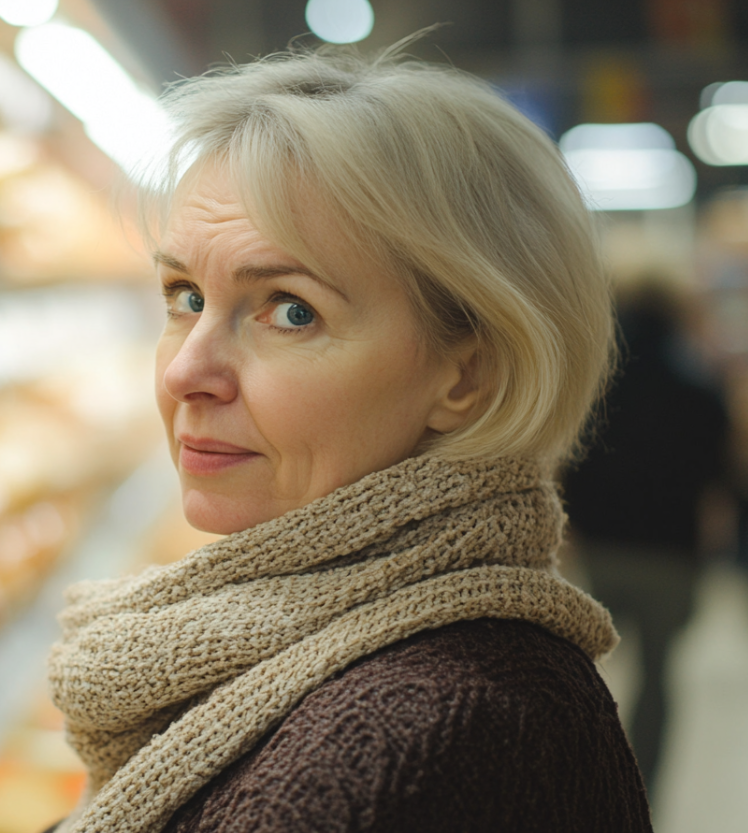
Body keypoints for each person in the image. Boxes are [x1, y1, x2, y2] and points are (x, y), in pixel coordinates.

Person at [45, 39, 651, 833]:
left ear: (465, 375)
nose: (186, 371)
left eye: (290, 310)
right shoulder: (331, 658)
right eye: (184, 295)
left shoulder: (428, 734)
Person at [564, 284, 732, 794]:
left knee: (583, 671)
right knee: (658, 675)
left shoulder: (594, 388)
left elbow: (569, 464)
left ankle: (584, 783)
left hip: (602, 547)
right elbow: (718, 479)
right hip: (670, 552)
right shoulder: (701, 388)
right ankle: (641, 789)